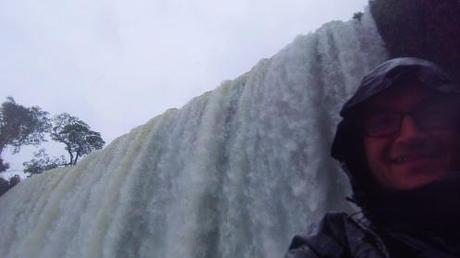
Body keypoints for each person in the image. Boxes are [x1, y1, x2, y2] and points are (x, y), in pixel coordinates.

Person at [285, 57, 460, 258]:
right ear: (360, 153)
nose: (410, 135)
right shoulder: (335, 243)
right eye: (384, 122)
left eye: (431, 115)